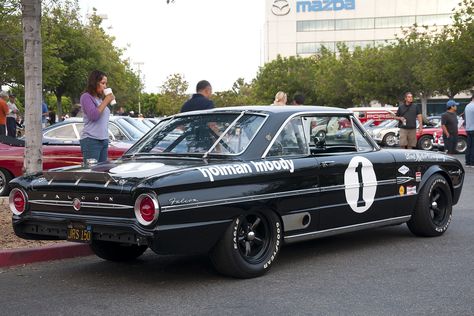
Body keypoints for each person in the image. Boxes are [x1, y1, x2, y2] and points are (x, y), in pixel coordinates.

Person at [79, 70, 115, 163]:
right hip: (91, 140)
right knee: (92, 172)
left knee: (101, 171)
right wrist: (106, 101)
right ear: (95, 82)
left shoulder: (99, 99)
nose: (105, 86)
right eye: (103, 83)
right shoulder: (86, 97)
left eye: (106, 84)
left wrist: (106, 100)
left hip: (103, 139)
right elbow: (94, 115)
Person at [465, 96, 474, 167]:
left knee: (469, 146)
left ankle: (467, 162)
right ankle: (472, 162)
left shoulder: (467, 106)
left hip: (468, 129)